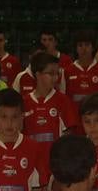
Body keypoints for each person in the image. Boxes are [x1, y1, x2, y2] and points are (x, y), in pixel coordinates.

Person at [22, 51, 78, 179]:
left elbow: (69, 134)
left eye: (57, 74)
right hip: (31, 165)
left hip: (55, 167)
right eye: (50, 73)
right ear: (38, 74)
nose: (55, 78)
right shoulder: (24, 102)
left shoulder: (63, 101)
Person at [66, 31, 98, 106]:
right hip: (74, 114)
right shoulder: (68, 70)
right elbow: (65, 96)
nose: (84, 48)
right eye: (80, 45)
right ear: (76, 48)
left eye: (87, 45)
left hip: (96, 113)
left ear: (93, 47)